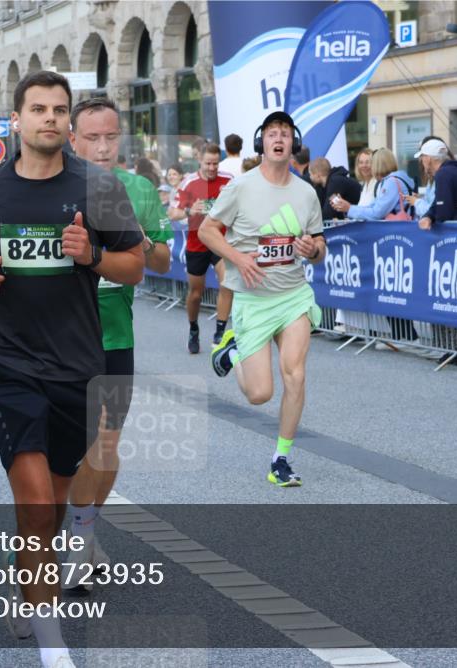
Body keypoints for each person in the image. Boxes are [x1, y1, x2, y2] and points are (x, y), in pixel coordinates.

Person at [0, 71, 143, 668]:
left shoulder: (100, 186)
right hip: (7, 360)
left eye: (60, 109)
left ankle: (26, 584)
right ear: (17, 120)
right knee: (35, 501)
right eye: (39, 109)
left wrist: (95, 257)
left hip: (78, 367)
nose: (51, 119)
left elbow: (134, 265)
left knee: (54, 503)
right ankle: (52, 644)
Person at [64, 96, 172, 591]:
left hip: (114, 335)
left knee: (106, 445)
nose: (104, 147)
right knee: (61, 455)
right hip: (58, 336)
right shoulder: (50, 186)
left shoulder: (139, 188)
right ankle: (62, 537)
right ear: (73, 139)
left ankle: (82, 536)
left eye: (111, 137)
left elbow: (163, 262)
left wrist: (138, 239)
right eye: (93, 138)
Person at [201, 110, 326, 487]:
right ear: (262, 142)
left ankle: (281, 459)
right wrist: (238, 258)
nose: (279, 138)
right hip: (253, 299)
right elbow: (208, 230)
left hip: (292, 296)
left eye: (285, 134)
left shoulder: (306, 192)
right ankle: (233, 350)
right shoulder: (241, 187)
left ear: (293, 143)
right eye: (272, 132)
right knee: (259, 394)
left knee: (296, 375)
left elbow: (319, 244)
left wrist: (311, 249)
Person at [167, 144, 234, 351]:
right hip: (197, 243)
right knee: (196, 293)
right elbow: (172, 213)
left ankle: (220, 332)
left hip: (220, 242)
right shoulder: (189, 182)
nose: (212, 168)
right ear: (199, 161)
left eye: (215, 163)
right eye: (208, 163)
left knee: (227, 283)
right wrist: (189, 211)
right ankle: (193, 328)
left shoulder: (229, 180)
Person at [331, 148, 415, 220]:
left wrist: (349, 209)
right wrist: (347, 208)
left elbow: (377, 213)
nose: (371, 167)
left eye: (371, 163)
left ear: (378, 165)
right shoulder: (390, 181)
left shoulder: (391, 182)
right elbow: (372, 206)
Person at [415, 138, 457, 229]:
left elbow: (443, 212)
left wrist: (433, 221)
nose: (421, 161)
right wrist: (428, 217)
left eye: (422, 157)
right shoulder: (454, 170)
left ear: (428, 159)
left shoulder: (443, 174)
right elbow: (438, 203)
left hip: (456, 233)